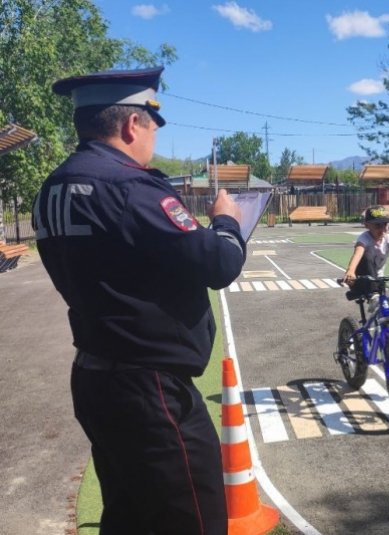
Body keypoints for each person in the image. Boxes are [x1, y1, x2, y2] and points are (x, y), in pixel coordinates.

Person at [33, 67, 245, 535]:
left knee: (129, 516)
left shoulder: (52, 187)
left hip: (95, 375)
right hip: (151, 390)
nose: (152, 139)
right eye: (152, 126)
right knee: (195, 519)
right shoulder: (130, 187)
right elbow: (218, 265)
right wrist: (227, 222)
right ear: (132, 125)